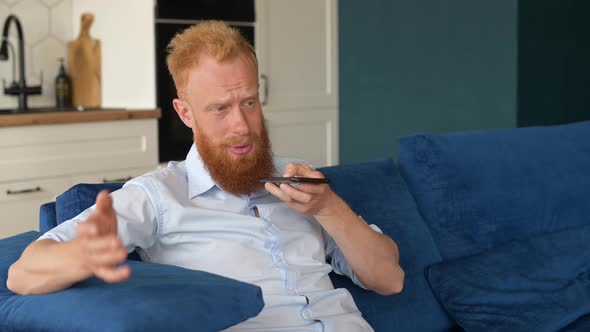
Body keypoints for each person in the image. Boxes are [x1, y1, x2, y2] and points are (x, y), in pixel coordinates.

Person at [7, 21, 404, 331]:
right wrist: (85, 254)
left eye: (249, 102)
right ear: (185, 113)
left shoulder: (298, 181)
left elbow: (390, 280)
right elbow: (23, 275)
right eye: (220, 108)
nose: (242, 125)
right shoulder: (157, 196)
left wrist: (330, 207)